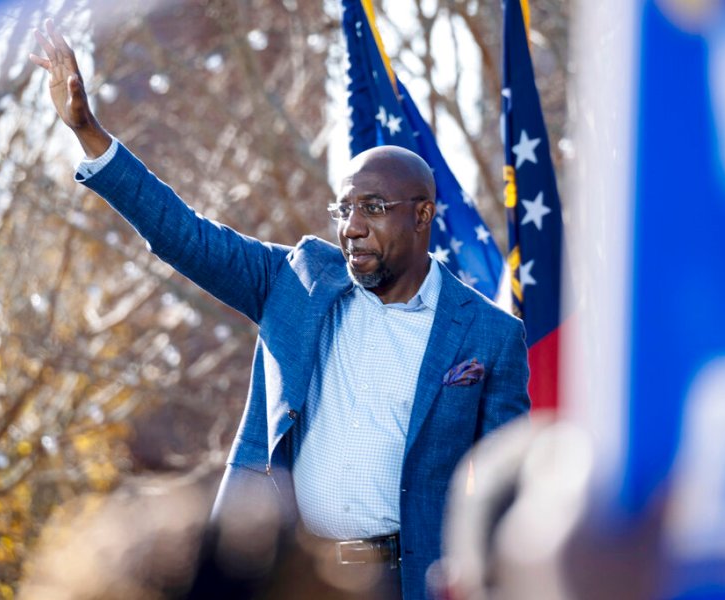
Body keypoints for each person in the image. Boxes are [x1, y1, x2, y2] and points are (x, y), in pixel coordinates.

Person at [30, 18, 530, 600]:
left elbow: (508, 492)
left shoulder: (489, 334)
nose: (351, 227)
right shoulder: (296, 281)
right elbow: (183, 234)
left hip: (408, 583)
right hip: (290, 578)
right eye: (343, 209)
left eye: (372, 208)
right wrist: (88, 132)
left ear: (422, 216)